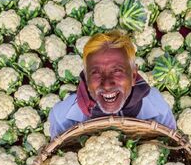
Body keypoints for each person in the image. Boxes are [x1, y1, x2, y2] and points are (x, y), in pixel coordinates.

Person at [48, 30, 177, 140]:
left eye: (117, 71)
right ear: (86, 79)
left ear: (133, 76)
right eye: (96, 73)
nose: (107, 84)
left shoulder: (156, 106)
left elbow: (172, 142)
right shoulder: (62, 116)